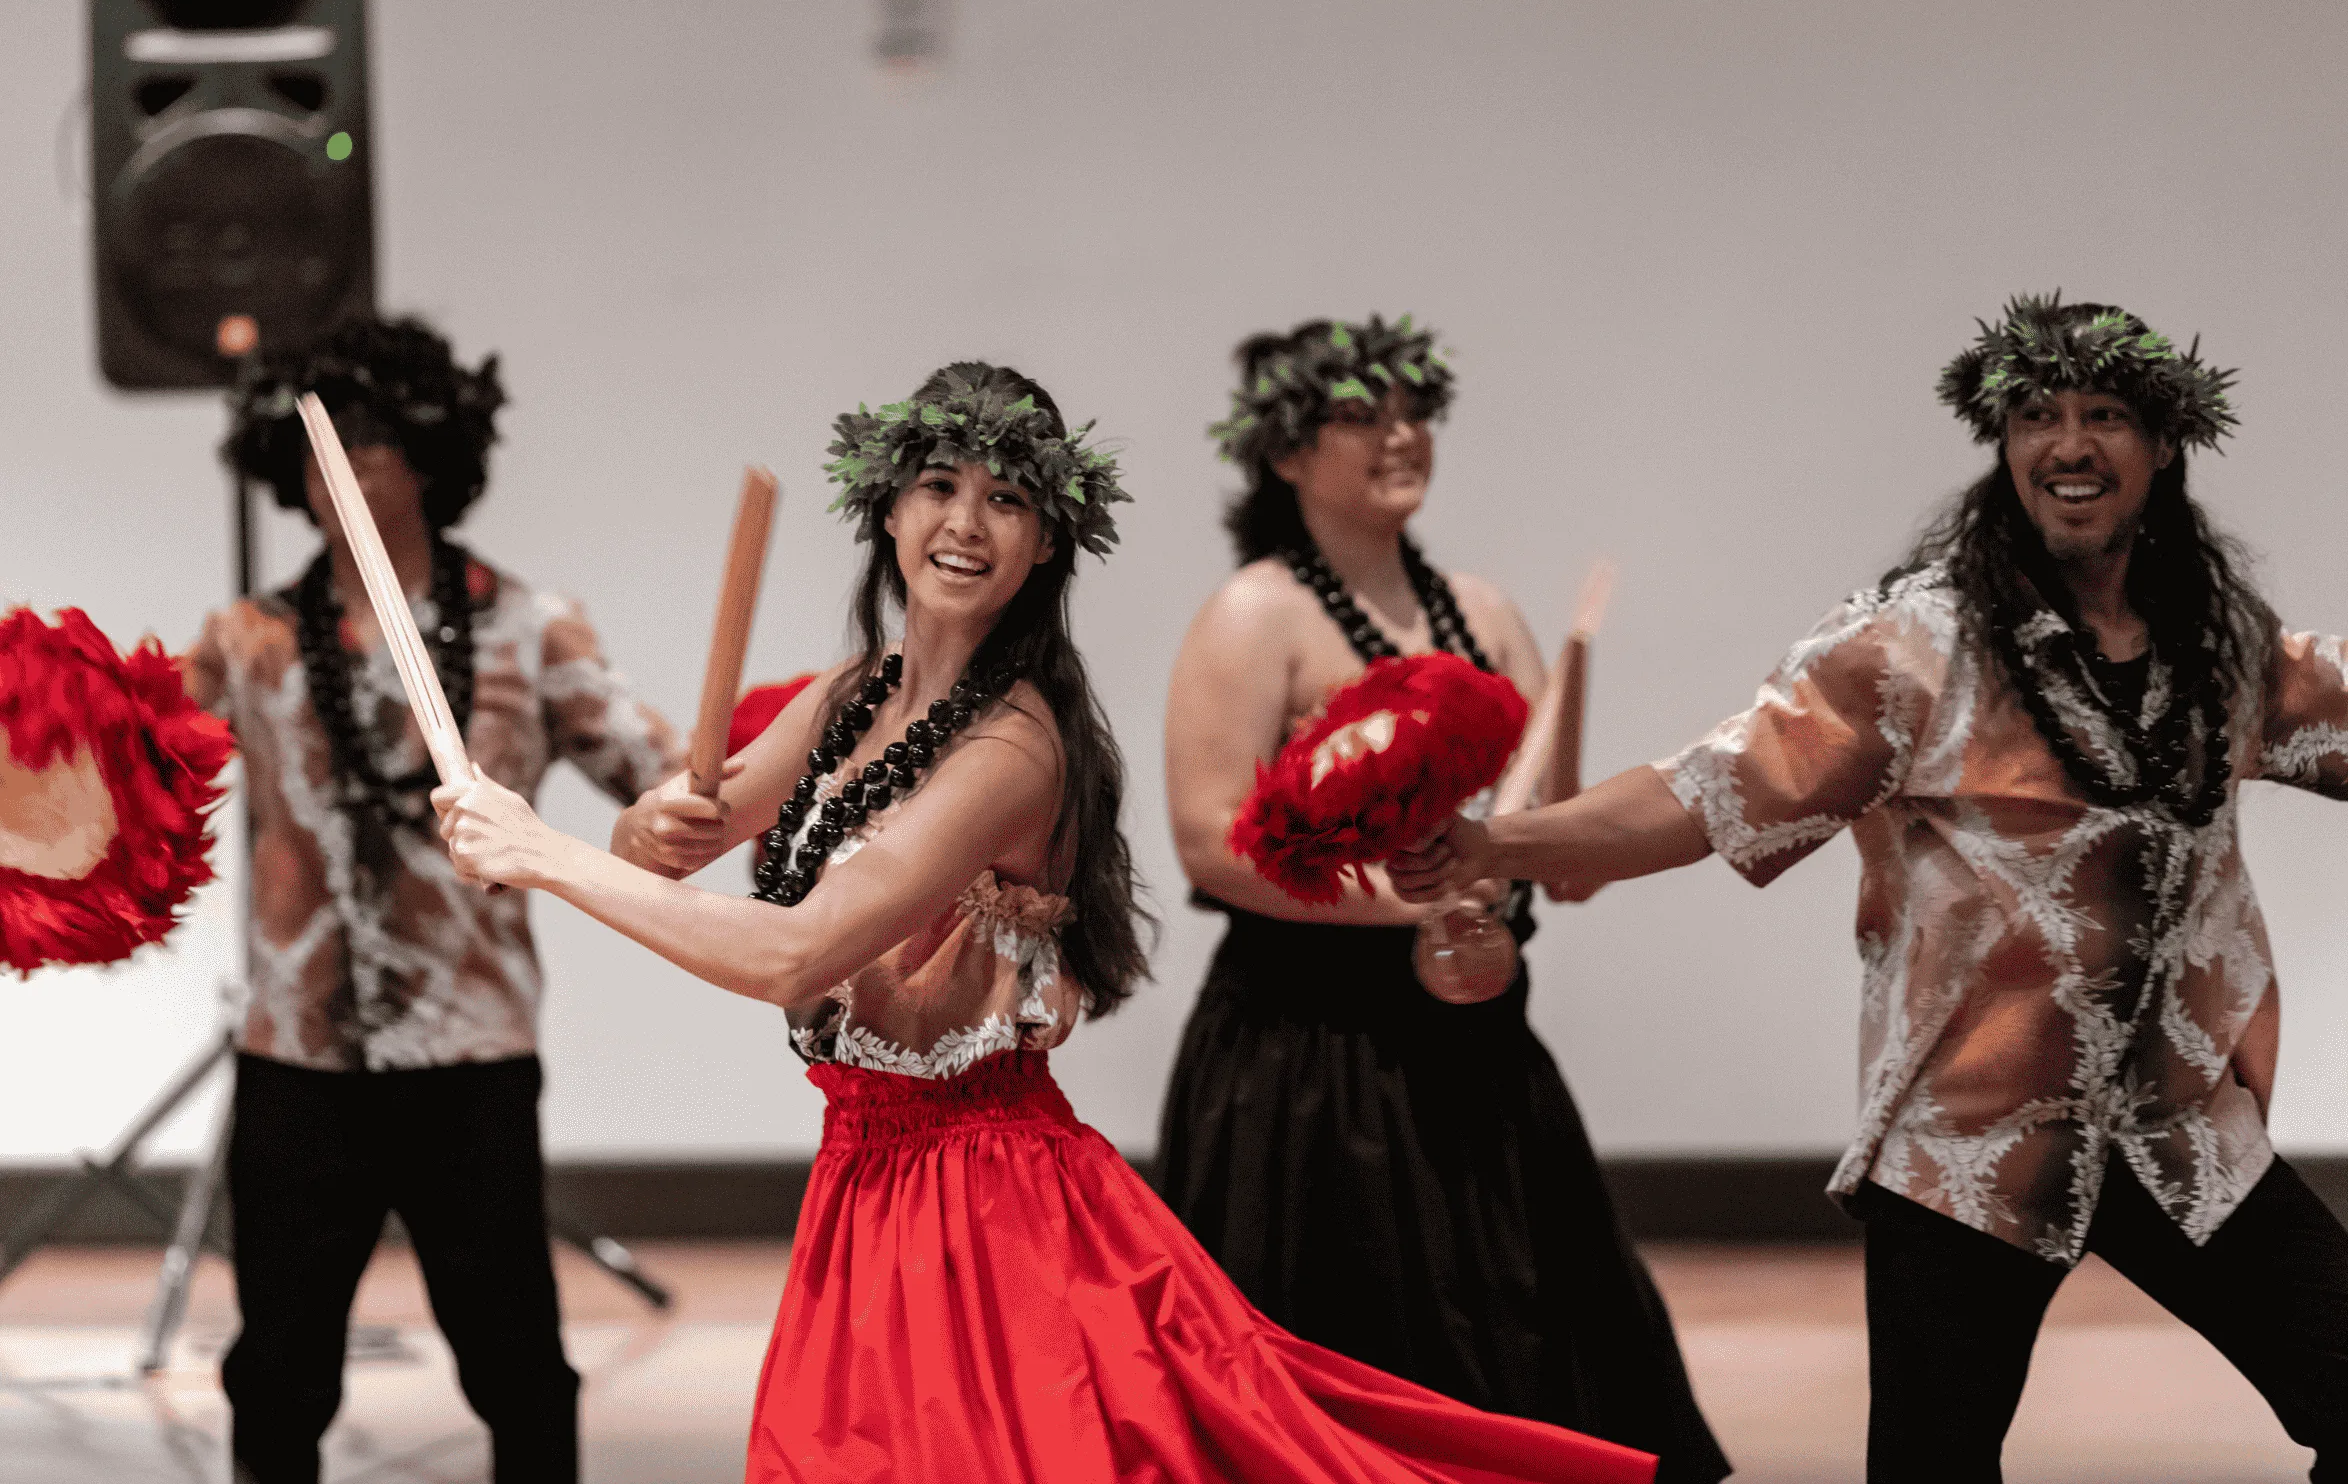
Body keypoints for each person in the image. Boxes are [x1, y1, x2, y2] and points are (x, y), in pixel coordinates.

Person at [434, 361, 1659, 1484]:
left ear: (1046, 545)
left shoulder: (1014, 747)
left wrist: (543, 855)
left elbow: (794, 953)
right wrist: (655, 824)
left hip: (985, 1209)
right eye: (937, 487)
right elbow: (688, 820)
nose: (965, 524)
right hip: (863, 1182)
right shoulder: (849, 697)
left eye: (1007, 500)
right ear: (886, 511)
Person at [1393, 295, 2348, 1481]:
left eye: (2104, 415)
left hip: (2179, 1128)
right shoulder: (1911, 646)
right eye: (2036, 415)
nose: (2068, 443)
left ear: (2162, 448)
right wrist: (1501, 846)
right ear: (2001, 447)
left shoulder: (2223, 647)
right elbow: (1708, 791)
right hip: (1967, 1144)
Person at [1158, 316, 1728, 1480]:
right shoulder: (1256, 613)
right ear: (1283, 453)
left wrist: (1549, 849)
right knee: (1333, 1374)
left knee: (1522, 1341)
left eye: (1413, 410)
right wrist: (1407, 905)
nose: (1400, 434)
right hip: (1303, 1063)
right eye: (1359, 416)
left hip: (1474, 1051)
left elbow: (1552, 858)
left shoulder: (1484, 609)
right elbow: (1209, 843)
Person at [184, 314, 682, 1484]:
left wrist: (716, 811)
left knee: (515, 1357)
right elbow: (139, 782)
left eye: (370, 443)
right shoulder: (246, 640)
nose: (341, 471)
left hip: (472, 1057)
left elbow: (661, 780)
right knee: (279, 1365)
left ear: (431, 457)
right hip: (296, 1054)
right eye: (317, 447)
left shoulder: (526, 625)